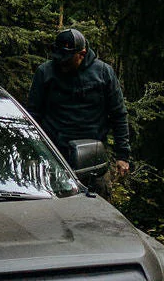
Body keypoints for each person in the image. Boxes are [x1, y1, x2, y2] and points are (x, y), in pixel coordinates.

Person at [26, 28, 130, 197]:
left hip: (93, 160)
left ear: (82, 54)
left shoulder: (103, 73)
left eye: (67, 60)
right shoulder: (45, 72)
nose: (62, 64)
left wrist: (122, 156)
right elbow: (33, 115)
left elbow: (118, 115)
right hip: (55, 158)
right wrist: (33, 152)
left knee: (98, 214)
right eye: (59, 59)